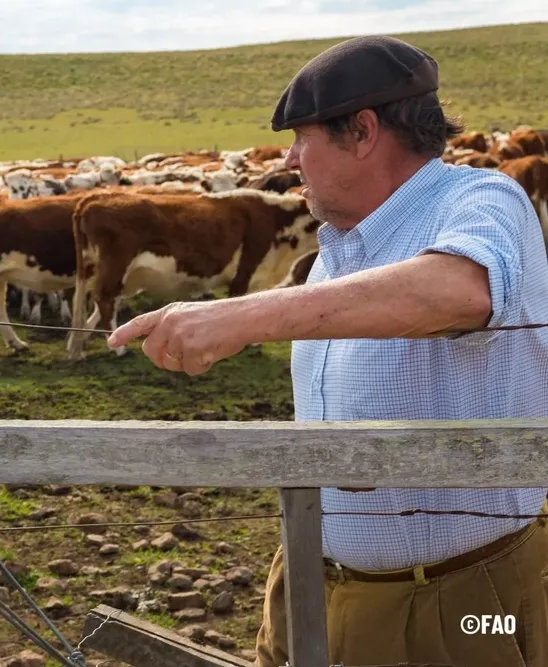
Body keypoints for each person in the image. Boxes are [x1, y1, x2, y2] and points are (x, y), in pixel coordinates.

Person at [106, 35, 548, 667]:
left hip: (460, 604)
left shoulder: (481, 202)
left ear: (362, 131)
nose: (289, 159)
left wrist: (242, 317)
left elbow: (461, 288)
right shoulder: (340, 250)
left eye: (302, 138)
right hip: (308, 581)